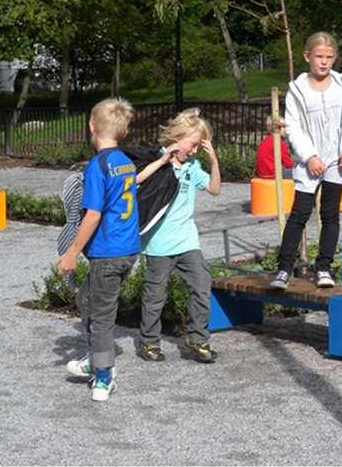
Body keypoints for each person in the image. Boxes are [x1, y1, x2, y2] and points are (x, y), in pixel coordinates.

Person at [58, 98, 140, 402]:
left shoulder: (98, 166)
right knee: (87, 300)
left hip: (108, 251)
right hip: (128, 249)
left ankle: (104, 374)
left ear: (92, 126)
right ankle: (96, 358)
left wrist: (70, 253)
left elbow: (92, 214)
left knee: (101, 315)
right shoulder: (125, 162)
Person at [270, 32, 342, 290]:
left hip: (337, 159)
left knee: (330, 214)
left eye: (329, 57)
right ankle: (284, 269)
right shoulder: (297, 90)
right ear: (307, 57)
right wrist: (309, 156)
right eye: (319, 56)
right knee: (299, 213)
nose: (324, 62)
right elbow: (294, 127)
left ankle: (324, 267)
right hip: (309, 160)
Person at [135, 108, 221, 364]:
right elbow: (135, 180)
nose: (194, 151)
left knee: (201, 286)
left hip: (187, 241)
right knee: (155, 296)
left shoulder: (192, 166)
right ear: (178, 137)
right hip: (158, 244)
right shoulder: (156, 160)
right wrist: (162, 162)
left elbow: (215, 189)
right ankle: (149, 342)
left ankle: (198, 339)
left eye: (198, 147)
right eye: (193, 145)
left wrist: (214, 161)